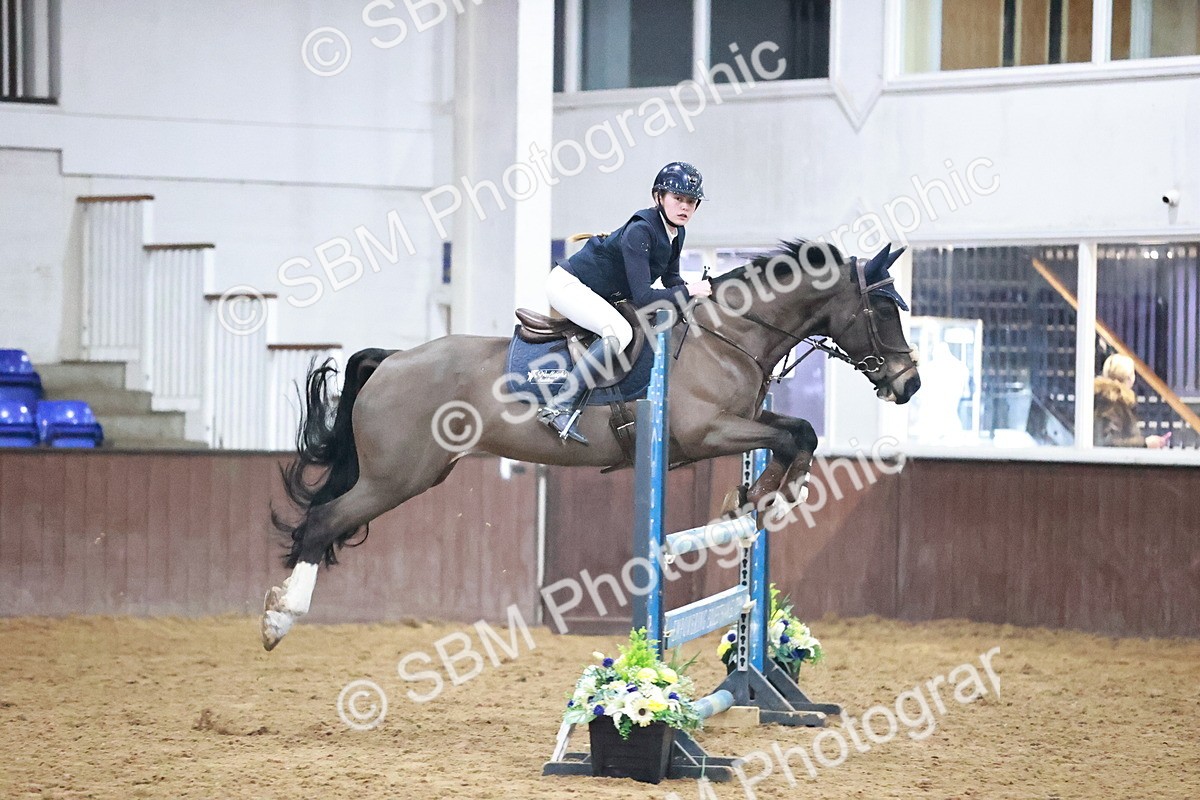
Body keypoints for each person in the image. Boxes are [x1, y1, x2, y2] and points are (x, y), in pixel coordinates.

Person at [536, 162, 714, 445]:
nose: (685, 207)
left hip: (597, 291)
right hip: (568, 285)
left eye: (691, 201)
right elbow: (643, 297)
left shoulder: (676, 233)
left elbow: (671, 281)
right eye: (677, 198)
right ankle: (560, 404)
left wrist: (702, 296)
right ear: (659, 197)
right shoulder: (640, 231)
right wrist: (690, 290)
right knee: (620, 332)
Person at [1093, 354, 1168, 448]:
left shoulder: (1103, 398)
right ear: (1129, 377)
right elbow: (1111, 442)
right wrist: (1145, 444)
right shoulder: (1114, 403)